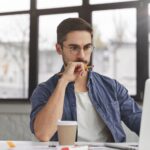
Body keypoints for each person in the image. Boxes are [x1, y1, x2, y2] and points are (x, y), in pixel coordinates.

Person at [30, 17, 142, 142]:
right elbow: (43, 134)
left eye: (87, 47)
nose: (82, 56)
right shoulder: (44, 90)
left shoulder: (112, 87)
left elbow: (142, 123)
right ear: (59, 49)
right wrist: (63, 82)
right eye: (74, 48)